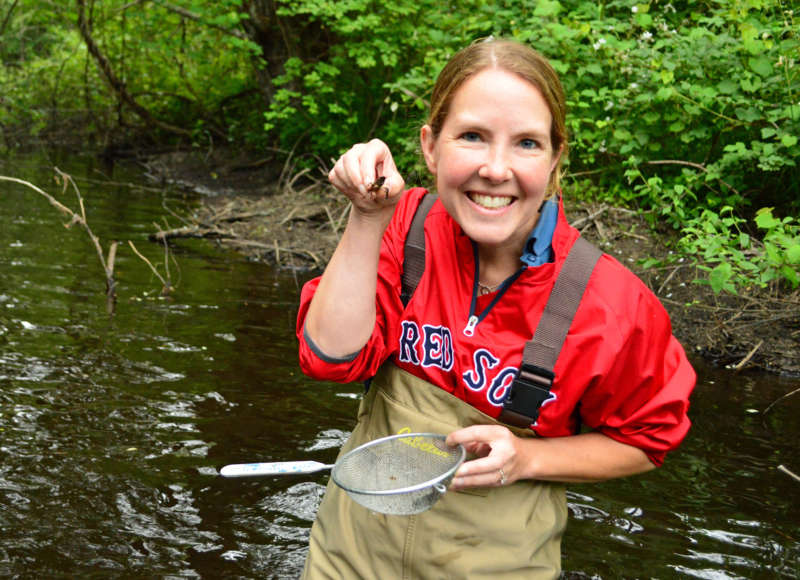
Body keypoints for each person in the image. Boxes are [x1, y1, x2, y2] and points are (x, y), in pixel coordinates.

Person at [296, 38, 695, 578]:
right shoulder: (399, 227)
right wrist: (367, 216)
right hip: (347, 561)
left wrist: (530, 458)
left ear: (556, 160)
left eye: (527, 143)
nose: (496, 168)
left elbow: (647, 440)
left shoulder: (612, 304)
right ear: (431, 146)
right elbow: (329, 358)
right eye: (472, 137)